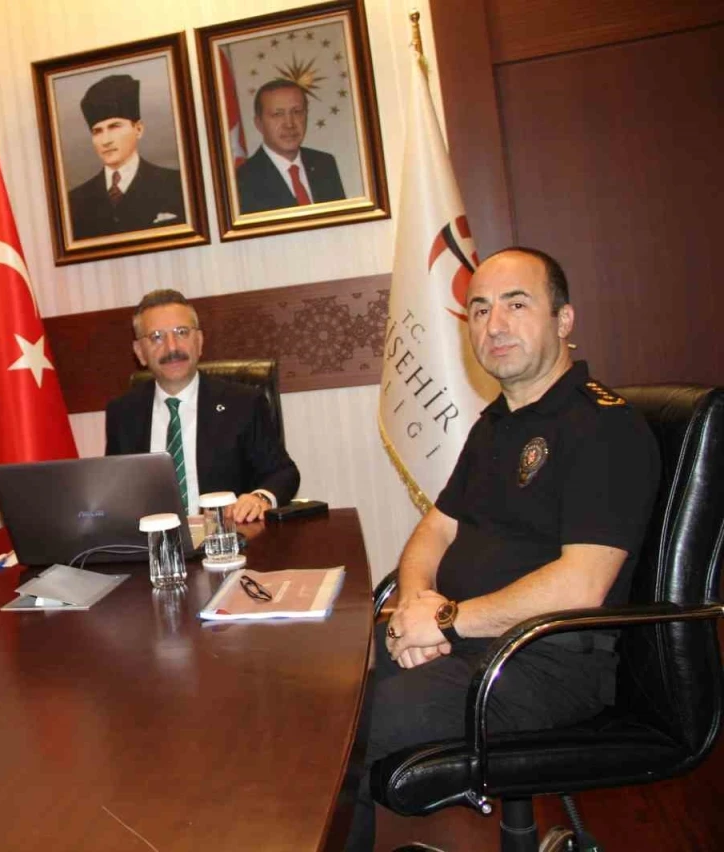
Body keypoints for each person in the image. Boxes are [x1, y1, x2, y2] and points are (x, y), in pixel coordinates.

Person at [345, 248, 660, 850]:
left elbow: (582, 584)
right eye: (480, 309)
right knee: (326, 690)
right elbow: (436, 530)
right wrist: (416, 605)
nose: (495, 325)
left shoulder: (603, 428)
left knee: (349, 734)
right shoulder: (495, 423)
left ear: (564, 320)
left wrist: (445, 621)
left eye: (517, 305)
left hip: (546, 661)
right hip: (469, 640)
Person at [105, 289, 299, 523]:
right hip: (153, 541)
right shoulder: (123, 414)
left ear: (199, 342)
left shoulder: (243, 403)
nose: (172, 347)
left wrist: (260, 498)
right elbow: (113, 490)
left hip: (228, 536)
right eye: (156, 337)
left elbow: (283, 473)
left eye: (182, 332)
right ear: (140, 353)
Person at [67, 74, 186, 240]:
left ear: (138, 129)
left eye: (114, 126)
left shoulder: (177, 185)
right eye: (97, 131)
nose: (106, 141)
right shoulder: (74, 201)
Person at [236, 79, 345, 215]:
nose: (289, 124)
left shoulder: (325, 164)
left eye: (297, 112)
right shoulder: (243, 180)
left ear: (306, 115)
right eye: (278, 114)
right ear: (259, 123)